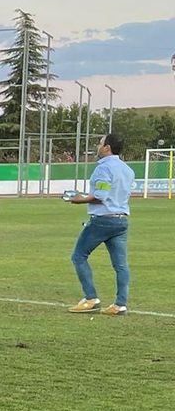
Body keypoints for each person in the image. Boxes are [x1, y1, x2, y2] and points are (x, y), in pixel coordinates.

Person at [67, 132, 134, 316]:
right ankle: (120, 304)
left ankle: (91, 298)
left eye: (100, 143)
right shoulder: (127, 170)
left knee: (79, 256)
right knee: (120, 265)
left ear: (107, 147)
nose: (98, 146)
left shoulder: (103, 169)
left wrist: (78, 199)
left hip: (103, 220)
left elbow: (100, 196)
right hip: (121, 220)